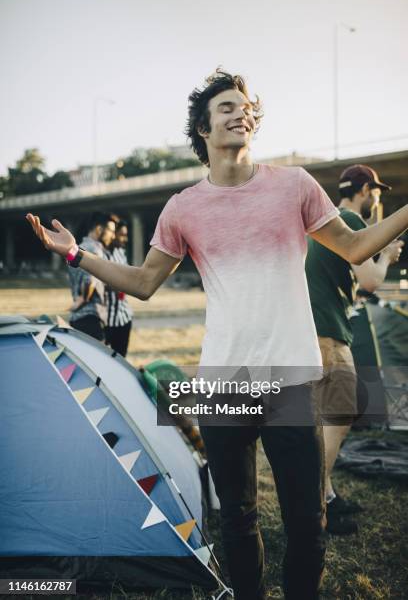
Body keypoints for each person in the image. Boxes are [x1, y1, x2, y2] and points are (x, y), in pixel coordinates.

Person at [26, 70, 408, 600]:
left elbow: (358, 246)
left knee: (306, 521)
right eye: (226, 106)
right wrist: (74, 253)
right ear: (203, 129)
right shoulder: (183, 207)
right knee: (238, 519)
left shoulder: (294, 185)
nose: (241, 112)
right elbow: (142, 282)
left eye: (246, 106)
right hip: (223, 380)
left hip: (290, 378)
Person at [305, 165, 403, 535]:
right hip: (327, 330)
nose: (377, 199)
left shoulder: (329, 219)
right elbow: (371, 282)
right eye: (376, 192)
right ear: (365, 189)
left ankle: (326, 496)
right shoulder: (347, 219)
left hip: (313, 328)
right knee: (342, 413)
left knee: (321, 422)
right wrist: (386, 256)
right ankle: (314, 506)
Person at [68, 212, 116, 341]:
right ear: (99, 229)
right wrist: (84, 298)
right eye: (111, 231)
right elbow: (90, 280)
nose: (113, 236)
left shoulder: (77, 249)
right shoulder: (95, 251)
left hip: (77, 318)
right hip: (91, 317)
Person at [104, 219, 134, 357]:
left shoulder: (121, 252)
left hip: (123, 317)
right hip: (106, 321)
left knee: (121, 360)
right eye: (122, 234)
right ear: (112, 233)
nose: (125, 238)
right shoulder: (101, 253)